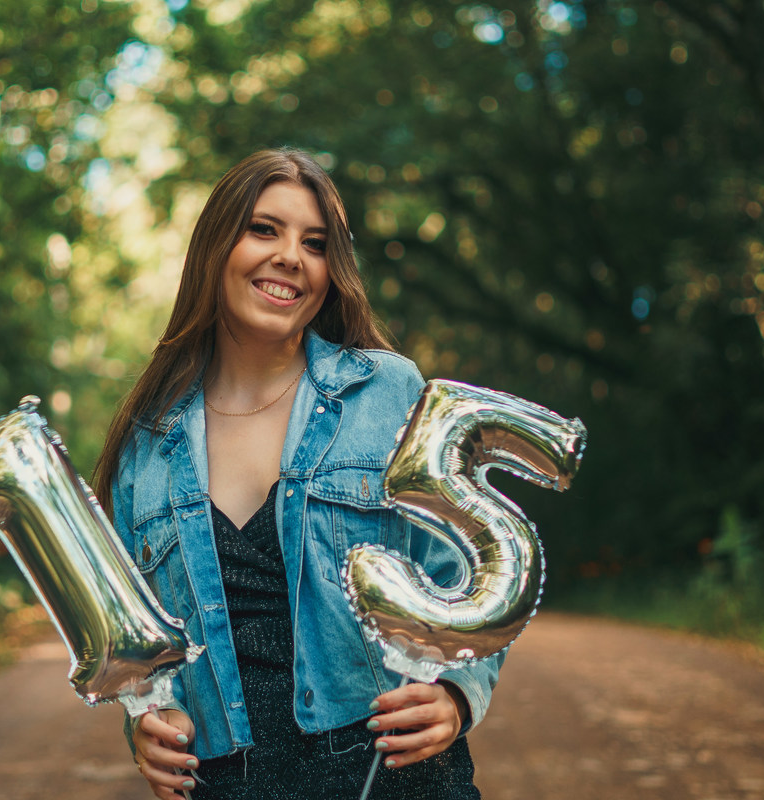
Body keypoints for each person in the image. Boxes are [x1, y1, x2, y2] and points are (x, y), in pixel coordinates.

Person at [92, 148, 502, 799]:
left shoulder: (388, 392)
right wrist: (144, 719)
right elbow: (132, 642)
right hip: (228, 785)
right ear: (214, 249)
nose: (291, 256)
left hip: (390, 775)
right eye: (264, 229)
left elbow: (474, 570)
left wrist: (458, 690)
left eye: (315, 243)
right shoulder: (146, 440)